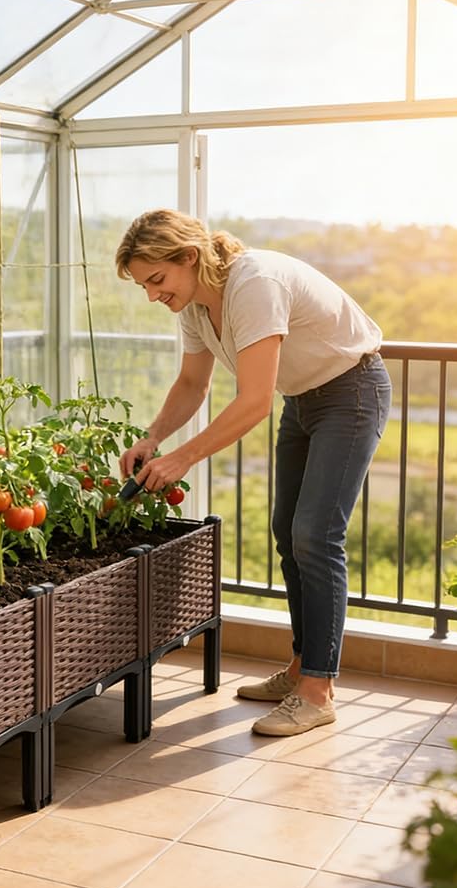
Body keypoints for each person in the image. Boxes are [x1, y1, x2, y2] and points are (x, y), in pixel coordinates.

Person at [116, 209, 391, 737]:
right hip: (304, 400)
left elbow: (254, 400)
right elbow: (193, 384)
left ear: (189, 258)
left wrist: (183, 458)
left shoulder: (254, 283)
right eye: (143, 285)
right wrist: (153, 439)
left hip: (351, 393)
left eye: (157, 280)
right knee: (288, 533)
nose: (152, 295)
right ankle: (300, 668)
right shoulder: (196, 306)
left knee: (316, 534)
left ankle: (318, 691)